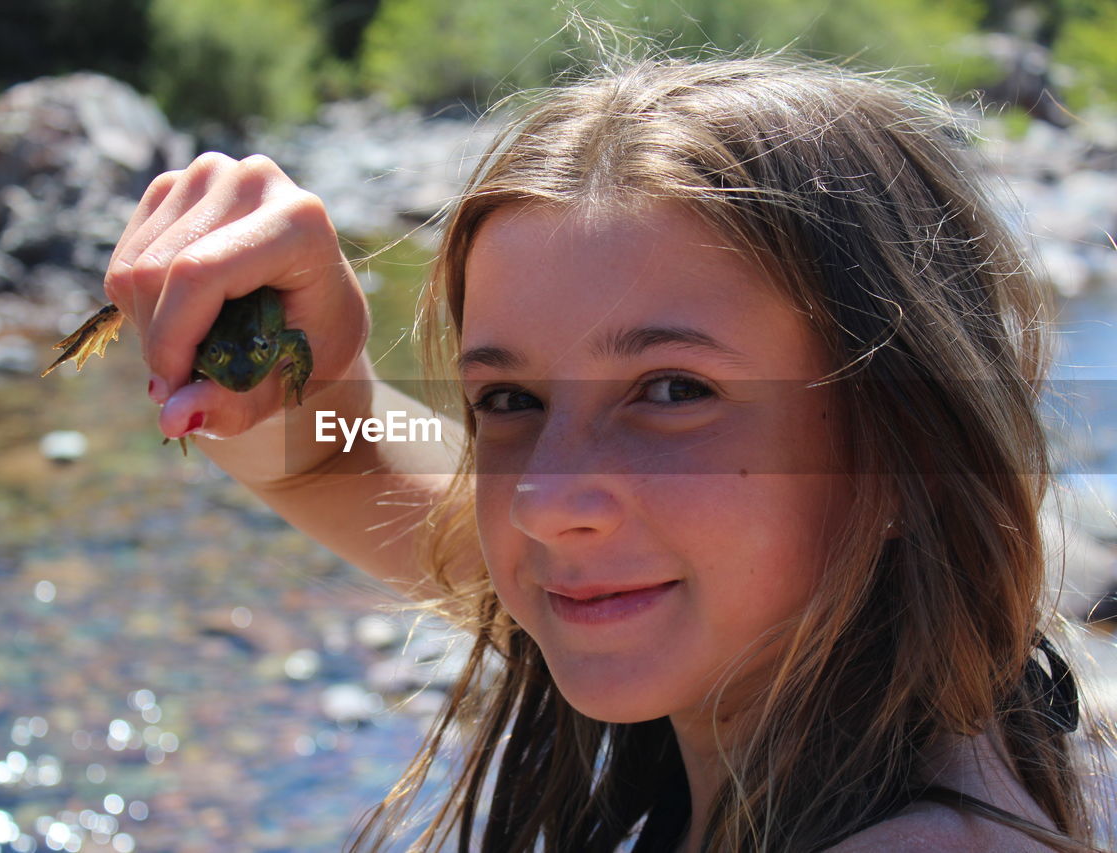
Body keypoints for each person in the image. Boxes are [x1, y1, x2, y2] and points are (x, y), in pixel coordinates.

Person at [100, 54, 1107, 851]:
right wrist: (287, 364)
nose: (545, 499)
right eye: (508, 399)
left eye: (672, 391)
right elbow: (322, 451)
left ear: (904, 434)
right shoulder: (905, 688)